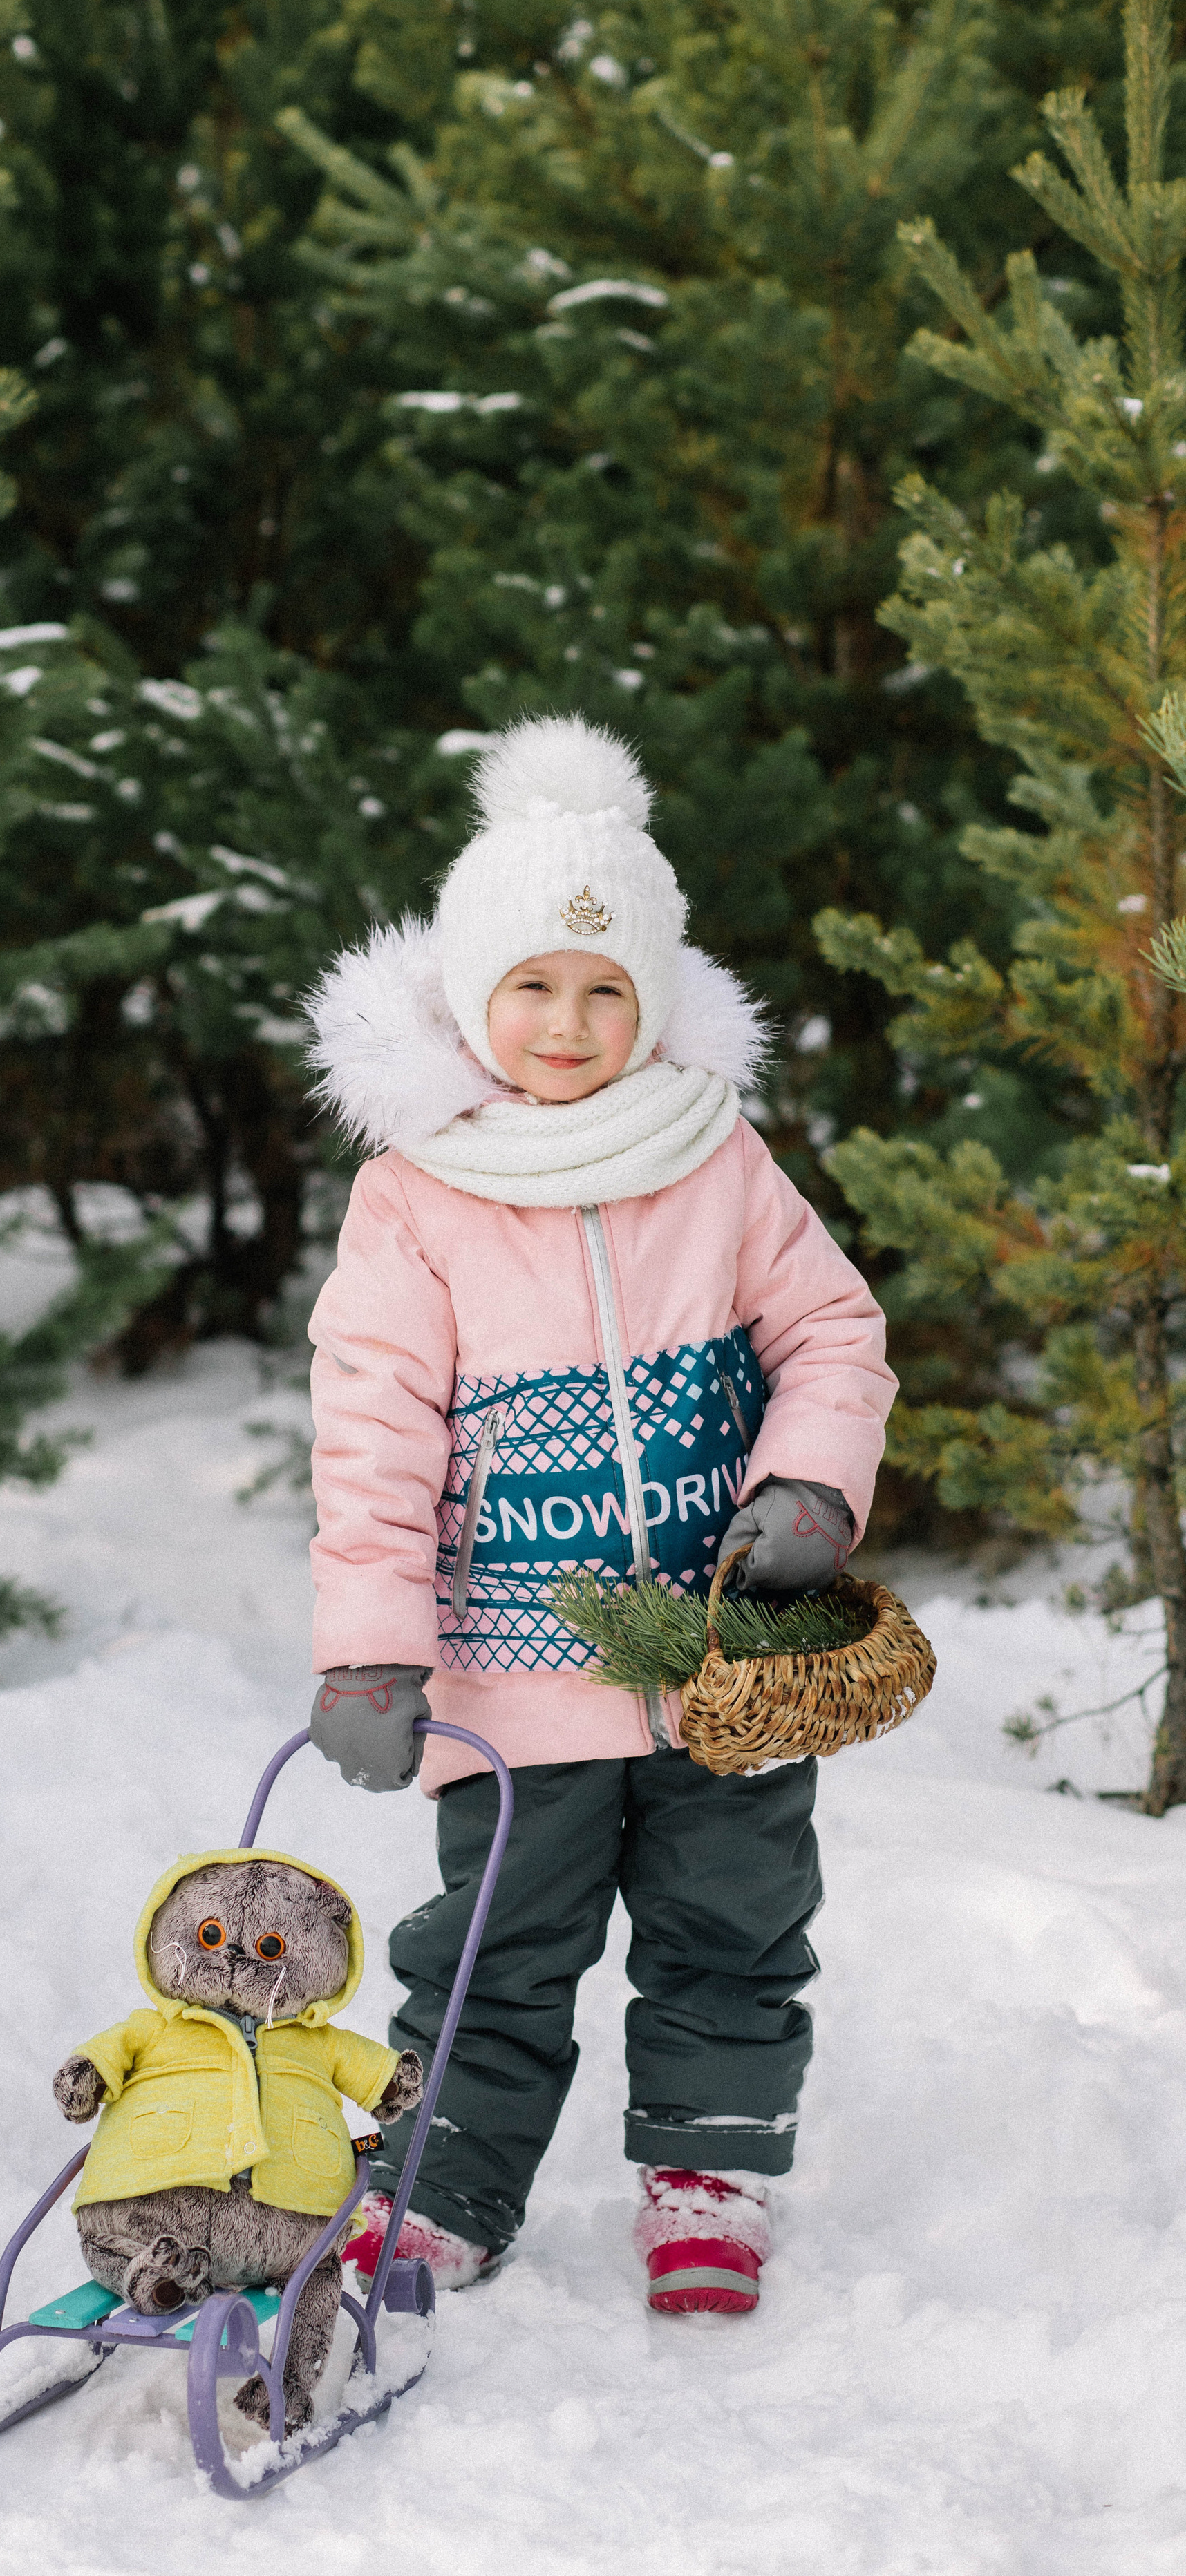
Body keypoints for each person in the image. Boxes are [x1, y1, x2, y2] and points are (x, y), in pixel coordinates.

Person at [301, 715, 894, 2316]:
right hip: (513, 1667)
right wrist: (369, 1651)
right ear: (473, 993)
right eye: (533, 986)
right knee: (493, 1939)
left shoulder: (712, 1156)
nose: (567, 1022)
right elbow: (369, 1433)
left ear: (652, 997)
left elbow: (829, 1334)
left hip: (723, 1651)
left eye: (605, 988)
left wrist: (806, 1487)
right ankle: (442, 2189)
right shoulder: (416, 1189)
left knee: (731, 1920)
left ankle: (706, 2175)